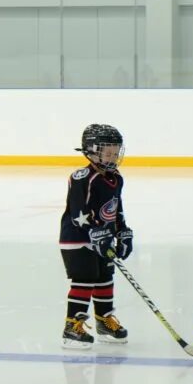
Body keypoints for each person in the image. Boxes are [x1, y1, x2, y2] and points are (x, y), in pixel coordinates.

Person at [58, 123, 132, 348]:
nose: (113, 155)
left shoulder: (116, 178)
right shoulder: (82, 177)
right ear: (91, 151)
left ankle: (104, 321)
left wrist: (123, 232)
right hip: (79, 240)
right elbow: (78, 212)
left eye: (116, 151)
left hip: (103, 239)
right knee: (85, 279)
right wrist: (96, 233)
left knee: (104, 278)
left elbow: (115, 209)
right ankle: (72, 327)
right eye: (107, 151)